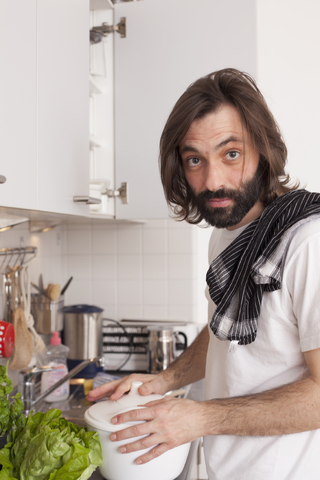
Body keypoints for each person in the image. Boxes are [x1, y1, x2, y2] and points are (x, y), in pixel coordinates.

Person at [86, 68, 320, 479]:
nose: (212, 181)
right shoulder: (228, 237)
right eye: (195, 159)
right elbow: (222, 331)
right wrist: (164, 380)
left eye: (231, 154)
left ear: (263, 150)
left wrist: (199, 419)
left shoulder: (307, 244)